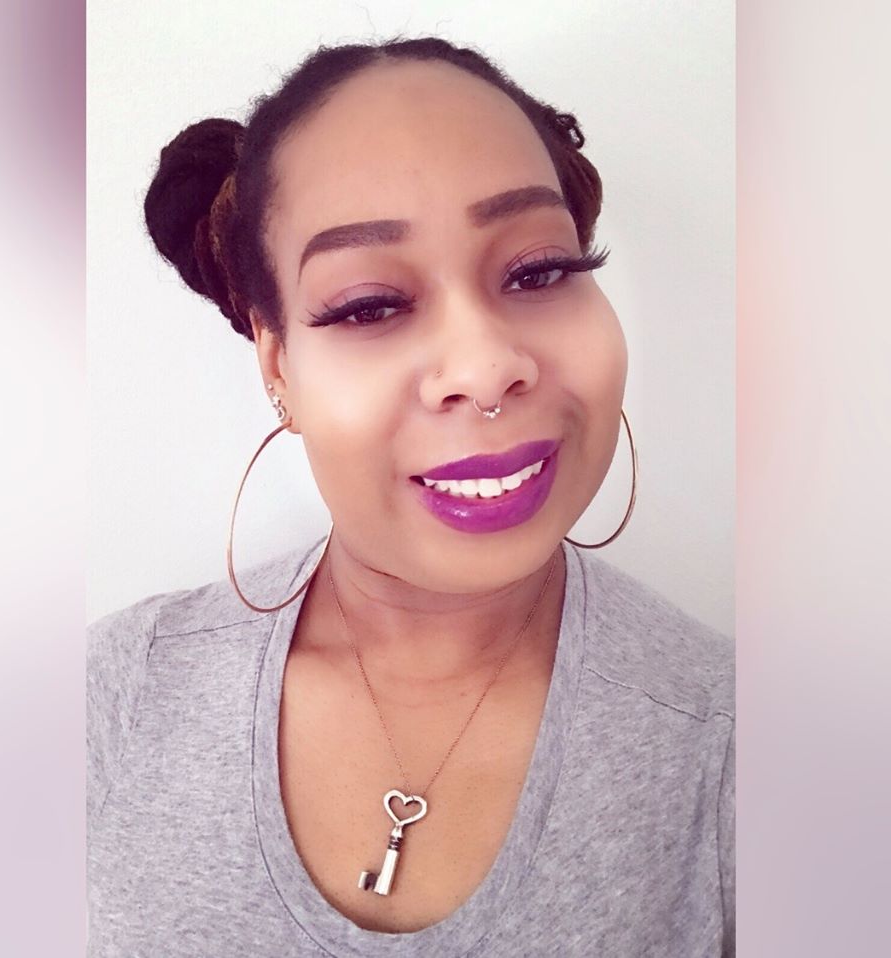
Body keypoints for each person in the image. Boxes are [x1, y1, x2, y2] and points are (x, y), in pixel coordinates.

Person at [87, 36, 734, 957]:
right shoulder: (112, 698)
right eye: (369, 306)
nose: (485, 368)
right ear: (277, 365)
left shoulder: (737, 750)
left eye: (539, 271)